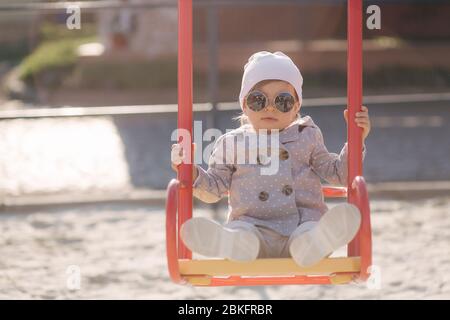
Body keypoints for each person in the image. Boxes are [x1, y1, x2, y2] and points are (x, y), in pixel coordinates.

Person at [171, 51, 371, 267]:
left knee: (310, 232)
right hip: (253, 226)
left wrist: (355, 140)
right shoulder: (232, 143)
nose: (270, 107)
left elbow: (340, 174)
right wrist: (189, 171)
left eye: (282, 101)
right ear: (244, 105)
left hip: (301, 224)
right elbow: (213, 189)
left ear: (296, 107)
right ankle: (232, 243)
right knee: (242, 233)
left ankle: (316, 243)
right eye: (258, 100)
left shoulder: (307, 135)